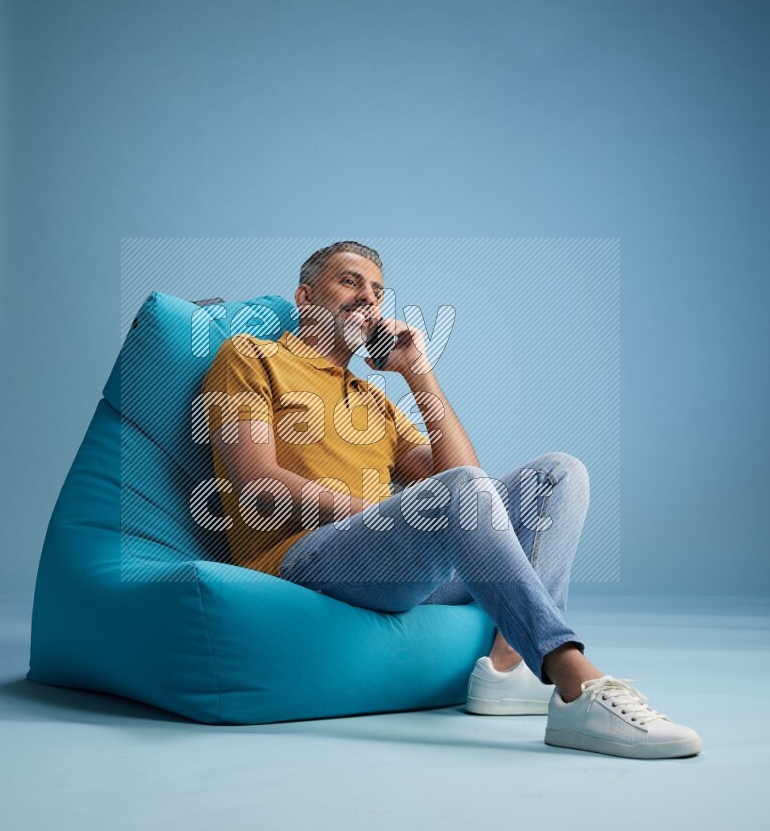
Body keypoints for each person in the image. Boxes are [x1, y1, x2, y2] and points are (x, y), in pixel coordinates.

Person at [200, 241, 702, 760]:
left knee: (557, 475)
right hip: (301, 559)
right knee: (456, 494)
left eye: (377, 291)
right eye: (350, 282)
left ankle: (509, 668)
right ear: (305, 297)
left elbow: (464, 476)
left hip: (388, 564)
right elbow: (257, 481)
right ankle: (573, 679)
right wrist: (381, 516)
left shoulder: (373, 400)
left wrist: (418, 372)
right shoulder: (252, 355)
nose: (368, 299)